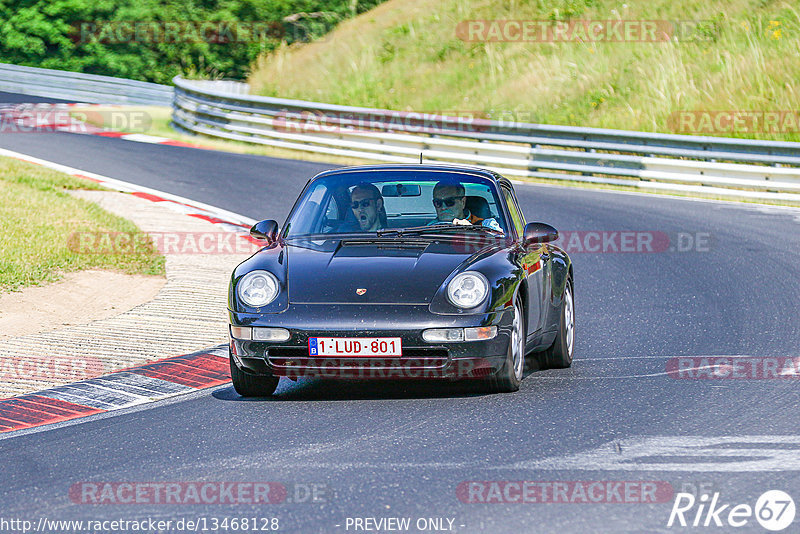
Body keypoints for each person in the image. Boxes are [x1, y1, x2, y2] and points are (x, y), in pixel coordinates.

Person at [427, 181, 503, 232]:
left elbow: (503, 244)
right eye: (438, 203)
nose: (443, 207)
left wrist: (473, 230)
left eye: (449, 202)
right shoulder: (428, 228)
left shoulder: (486, 224)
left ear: (463, 202)